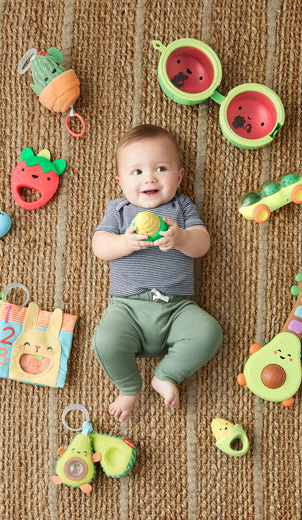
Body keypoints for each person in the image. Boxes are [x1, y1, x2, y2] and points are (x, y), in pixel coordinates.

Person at [92, 124, 222, 422]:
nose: (149, 177)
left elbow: (202, 244)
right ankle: (128, 386)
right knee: (105, 342)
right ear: (120, 182)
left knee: (209, 332)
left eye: (161, 168)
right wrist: (124, 242)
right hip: (127, 308)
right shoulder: (119, 211)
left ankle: (166, 374)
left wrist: (182, 239)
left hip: (177, 309)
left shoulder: (182, 207)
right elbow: (99, 246)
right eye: (136, 172)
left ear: (179, 176)